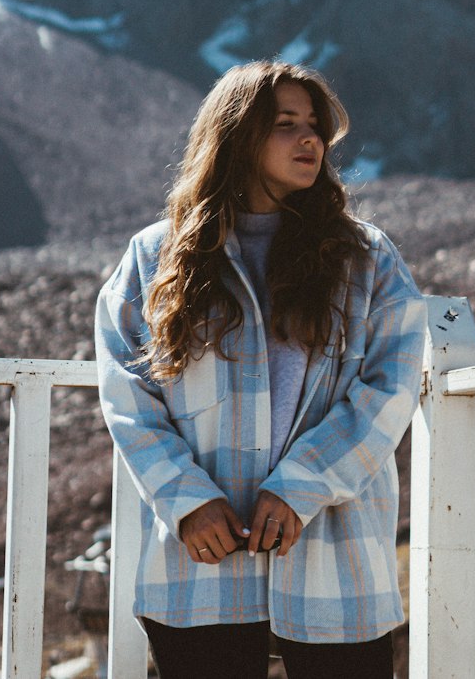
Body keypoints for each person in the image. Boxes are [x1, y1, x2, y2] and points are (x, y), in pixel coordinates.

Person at [95, 60, 428, 679]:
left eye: (315, 125)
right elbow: (127, 394)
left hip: (333, 547)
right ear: (236, 137)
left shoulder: (365, 257)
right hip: (202, 558)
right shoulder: (156, 257)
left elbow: (391, 387)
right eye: (285, 124)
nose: (311, 139)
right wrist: (187, 500)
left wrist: (299, 487)